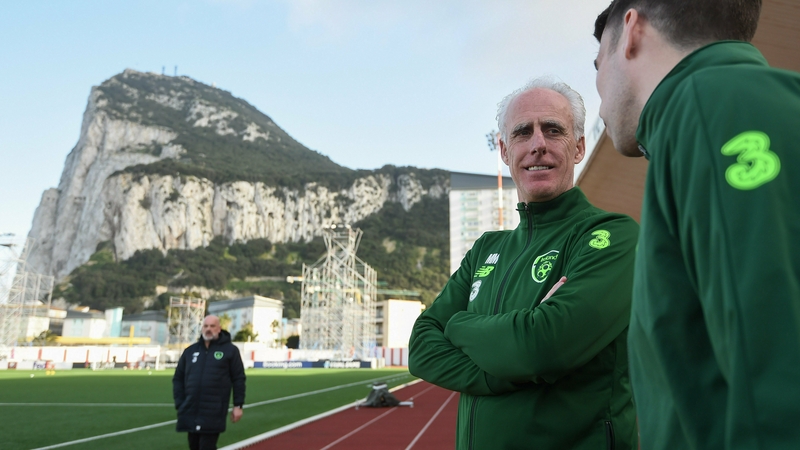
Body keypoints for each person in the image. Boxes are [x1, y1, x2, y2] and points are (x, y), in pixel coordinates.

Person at [593, 1, 800, 448]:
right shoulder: (766, 100)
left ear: (631, 31)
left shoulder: (707, 106)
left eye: (597, 65)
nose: (599, 95)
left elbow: (771, 367)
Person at [408, 77, 640, 449]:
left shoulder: (611, 236)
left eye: (553, 130)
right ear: (503, 150)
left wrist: (459, 324)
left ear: (578, 146)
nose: (538, 145)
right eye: (522, 133)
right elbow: (421, 348)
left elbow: (544, 346)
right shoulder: (486, 249)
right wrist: (512, 370)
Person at [173, 315, 246, 450]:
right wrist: (180, 402)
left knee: (207, 446)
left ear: (219, 329)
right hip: (191, 409)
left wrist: (238, 405)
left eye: (212, 326)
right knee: (194, 446)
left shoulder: (230, 351)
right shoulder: (190, 351)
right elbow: (178, 378)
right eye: (206, 326)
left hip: (214, 410)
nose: (208, 329)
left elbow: (238, 378)